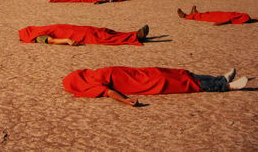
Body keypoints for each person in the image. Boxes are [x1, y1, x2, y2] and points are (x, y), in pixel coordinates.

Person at [63, 66, 248, 106]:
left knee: (178, 73)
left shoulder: (91, 74)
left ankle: (220, 79)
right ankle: (227, 87)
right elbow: (109, 91)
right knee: (180, 82)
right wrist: (127, 101)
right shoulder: (90, 86)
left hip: (139, 72)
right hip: (140, 82)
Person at [19, 24, 150, 46]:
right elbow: (51, 40)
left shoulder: (38, 30)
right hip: (76, 34)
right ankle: (135, 37)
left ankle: (132, 33)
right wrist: (67, 40)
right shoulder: (37, 36)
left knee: (103, 31)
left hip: (75, 29)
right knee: (101, 37)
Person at [177, 5, 254, 25]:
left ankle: (185, 16)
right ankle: (195, 14)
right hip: (225, 15)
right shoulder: (245, 16)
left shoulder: (244, 18)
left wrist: (220, 23)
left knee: (207, 16)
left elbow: (229, 20)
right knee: (211, 13)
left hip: (224, 17)